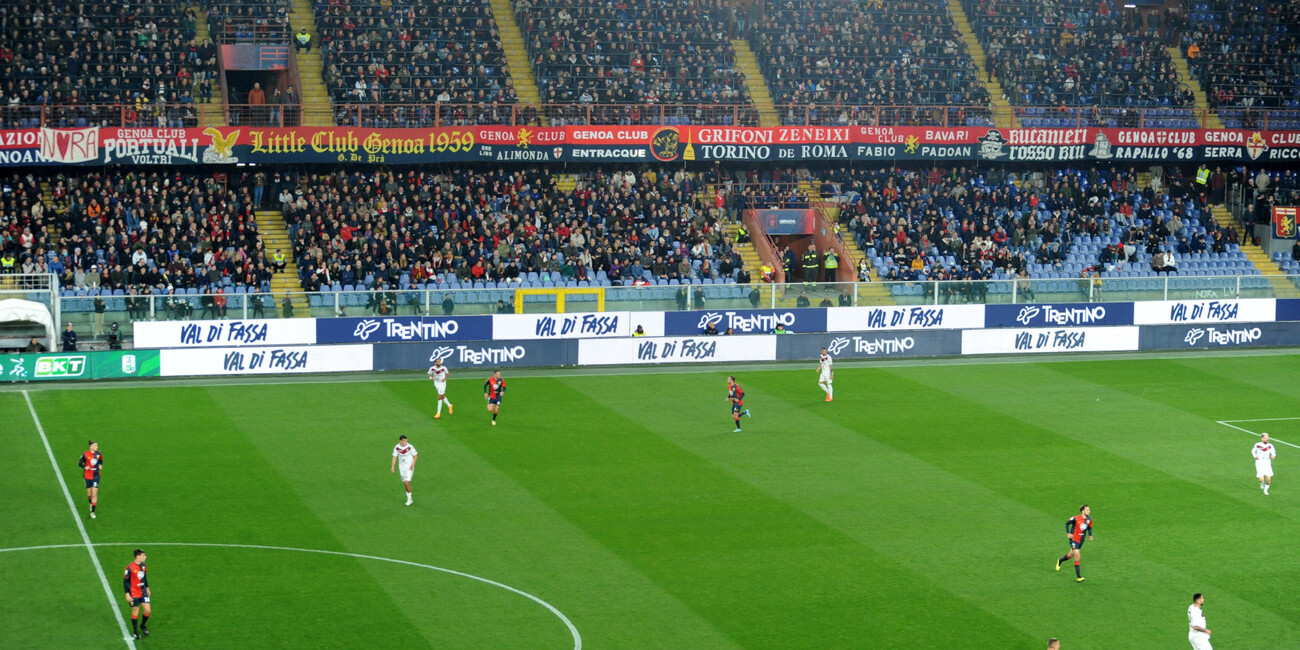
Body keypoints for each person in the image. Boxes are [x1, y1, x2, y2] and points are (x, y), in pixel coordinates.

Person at [1056, 505, 1093, 582]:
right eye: (1087, 510)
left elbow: (1089, 527)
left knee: (1071, 554)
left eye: (1089, 510)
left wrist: (1090, 535)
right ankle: (1078, 577)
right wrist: (1068, 533)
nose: (1089, 511)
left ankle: (1060, 560)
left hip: (1081, 541)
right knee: (1078, 555)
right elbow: (1067, 523)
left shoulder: (1089, 519)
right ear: (1083, 511)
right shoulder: (1076, 518)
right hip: (1074, 539)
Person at [123, 549, 151, 639]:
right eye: (143, 555)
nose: (145, 557)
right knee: (136, 610)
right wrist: (127, 593)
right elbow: (125, 581)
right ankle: (135, 632)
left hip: (143, 591)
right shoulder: (129, 567)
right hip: (133, 593)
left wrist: (147, 587)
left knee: (148, 610)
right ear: (138, 556)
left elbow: (144, 577)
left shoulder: (144, 566)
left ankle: (142, 625)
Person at [78, 441, 103, 519]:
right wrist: (84, 467)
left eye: (97, 445)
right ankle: (91, 503)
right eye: (95, 445)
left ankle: (92, 512)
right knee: (89, 494)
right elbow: (79, 463)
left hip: (96, 475)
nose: (97, 447)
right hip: (87, 476)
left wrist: (100, 465)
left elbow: (101, 460)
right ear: (91, 446)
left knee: (94, 493)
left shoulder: (99, 454)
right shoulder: (85, 454)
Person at [390, 435, 417, 506]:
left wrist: (413, 464)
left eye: (406, 441)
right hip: (402, 468)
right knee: (405, 483)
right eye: (404, 441)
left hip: (409, 467)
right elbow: (394, 457)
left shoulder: (410, 446)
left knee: (406, 483)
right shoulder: (397, 447)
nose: (406, 442)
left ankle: (410, 499)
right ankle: (409, 499)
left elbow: (415, 455)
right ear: (400, 441)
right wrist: (392, 466)